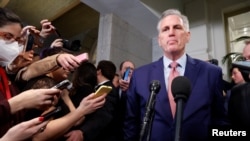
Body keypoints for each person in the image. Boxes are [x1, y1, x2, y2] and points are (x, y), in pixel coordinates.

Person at [123, 9, 227, 141]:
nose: (171, 33)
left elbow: (220, 121)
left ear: (187, 36)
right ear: (159, 40)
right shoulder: (139, 76)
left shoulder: (211, 73)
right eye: (165, 29)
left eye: (177, 27)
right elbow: (131, 124)